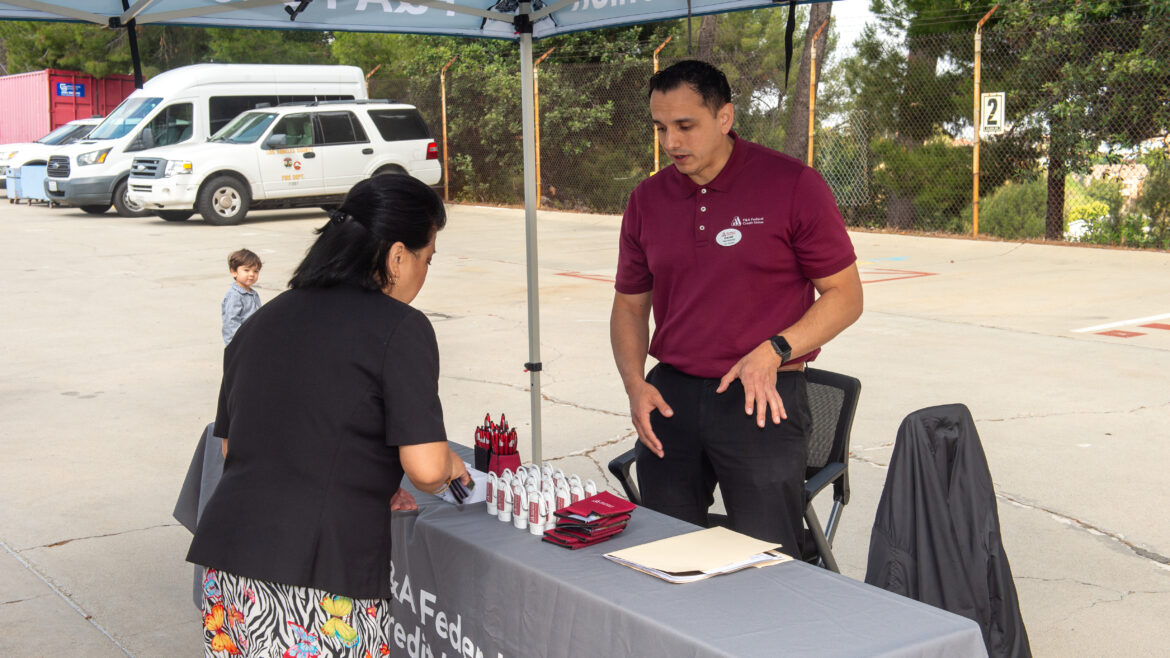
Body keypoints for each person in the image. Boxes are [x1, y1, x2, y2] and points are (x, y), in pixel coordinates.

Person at [187, 174, 469, 656]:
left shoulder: (260, 322)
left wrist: (364, 482)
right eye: (427, 259)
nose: (424, 272)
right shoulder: (401, 328)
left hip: (229, 562)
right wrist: (450, 467)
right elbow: (426, 470)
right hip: (318, 583)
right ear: (398, 256)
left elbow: (238, 447)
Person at [610, 60, 863, 558]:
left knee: (766, 559)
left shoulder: (792, 185)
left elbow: (846, 296)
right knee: (665, 551)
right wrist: (635, 383)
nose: (671, 142)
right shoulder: (647, 200)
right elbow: (629, 307)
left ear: (724, 117)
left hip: (762, 395)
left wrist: (775, 349)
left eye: (686, 126)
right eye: (661, 128)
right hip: (671, 398)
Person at [221, 249, 262, 345]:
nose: (252, 274)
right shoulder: (234, 295)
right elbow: (231, 322)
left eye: (255, 271)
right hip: (240, 342)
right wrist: (238, 342)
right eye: (246, 270)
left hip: (252, 339)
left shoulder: (253, 293)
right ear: (234, 272)